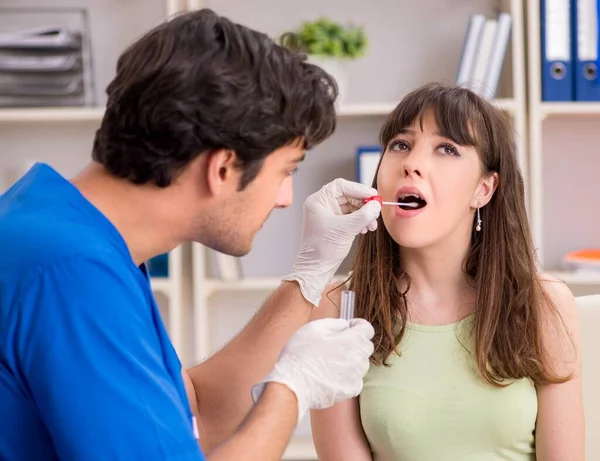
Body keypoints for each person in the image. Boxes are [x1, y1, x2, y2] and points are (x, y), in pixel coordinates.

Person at [0, 8, 383, 461]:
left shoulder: (62, 225)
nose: (285, 198)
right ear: (221, 168)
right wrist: (292, 391)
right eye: (285, 172)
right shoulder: (73, 274)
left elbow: (199, 411)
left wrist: (310, 272)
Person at [309, 83, 585, 460]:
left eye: (447, 148)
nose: (411, 163)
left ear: (484, 190)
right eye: (401, 145)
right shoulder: (339, 307)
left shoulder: (544, 303)